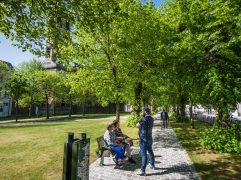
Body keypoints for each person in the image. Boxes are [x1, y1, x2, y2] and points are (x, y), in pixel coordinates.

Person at [136, 107, 155, 176]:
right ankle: (152, 165)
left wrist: (140, 121)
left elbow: (137, 126)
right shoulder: (152, 119)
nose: (142, 112)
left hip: (143, 139)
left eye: (143, 111)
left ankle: (142, 170)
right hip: (150, 138)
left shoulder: (143, 119)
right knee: (150, 151)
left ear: (145, 112)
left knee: (144, 155)